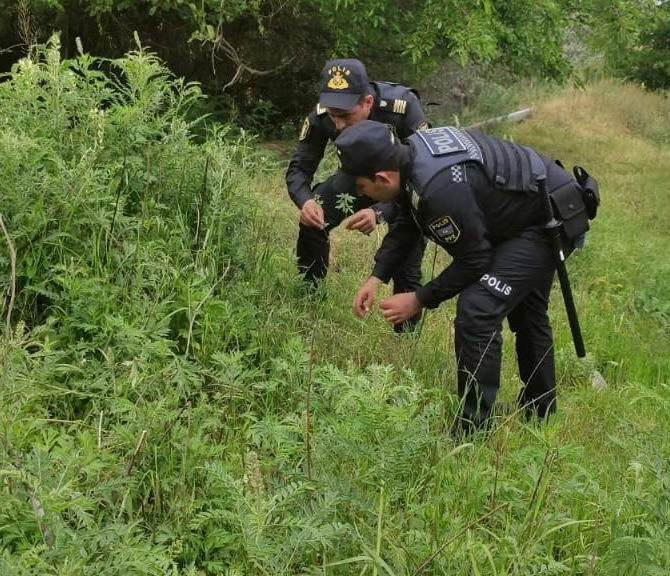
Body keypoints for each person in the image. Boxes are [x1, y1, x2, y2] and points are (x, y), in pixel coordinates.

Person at [334, 120, 599, 432]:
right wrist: (376, 277)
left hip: (548, 218)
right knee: (527, 312)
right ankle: (539, 412)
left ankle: (472, 430)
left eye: (363, 188)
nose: (361, 194)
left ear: (382, 176)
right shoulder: (408, 157)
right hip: (524, 211)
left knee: (478, 308)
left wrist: (419, 299)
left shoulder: (441, 188)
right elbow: (409, 218)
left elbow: (475, 259)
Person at [286, 58, 429, 330]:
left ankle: (406, 339)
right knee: (313, 218)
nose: (338, 124)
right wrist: (305, 202)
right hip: (355, 181)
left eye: (346, 116)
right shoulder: (323, 115)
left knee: (406, 253)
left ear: (367, 103)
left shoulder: (402, 107)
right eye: (333, 115)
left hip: (403, 186)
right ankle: (309, 298)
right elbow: (299, 168)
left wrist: (380, 212)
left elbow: (424, 177)